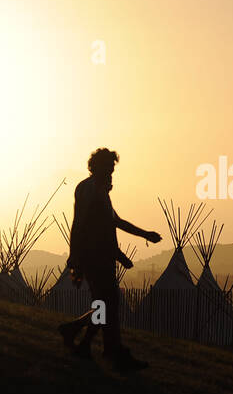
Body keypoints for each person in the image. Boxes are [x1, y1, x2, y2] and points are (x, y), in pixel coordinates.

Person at [57, 148, 162, 370]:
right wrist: (75, 257)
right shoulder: (89, 190)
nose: (112, 172)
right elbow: (79, 224)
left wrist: (143, 236)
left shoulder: (100, 191)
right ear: (99, 166)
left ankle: (82, 337)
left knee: (105, 304)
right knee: (108, 303)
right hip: (93, 257)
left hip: (102, 257)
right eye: (109, 167)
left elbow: (113, 223)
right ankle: (108, 349)